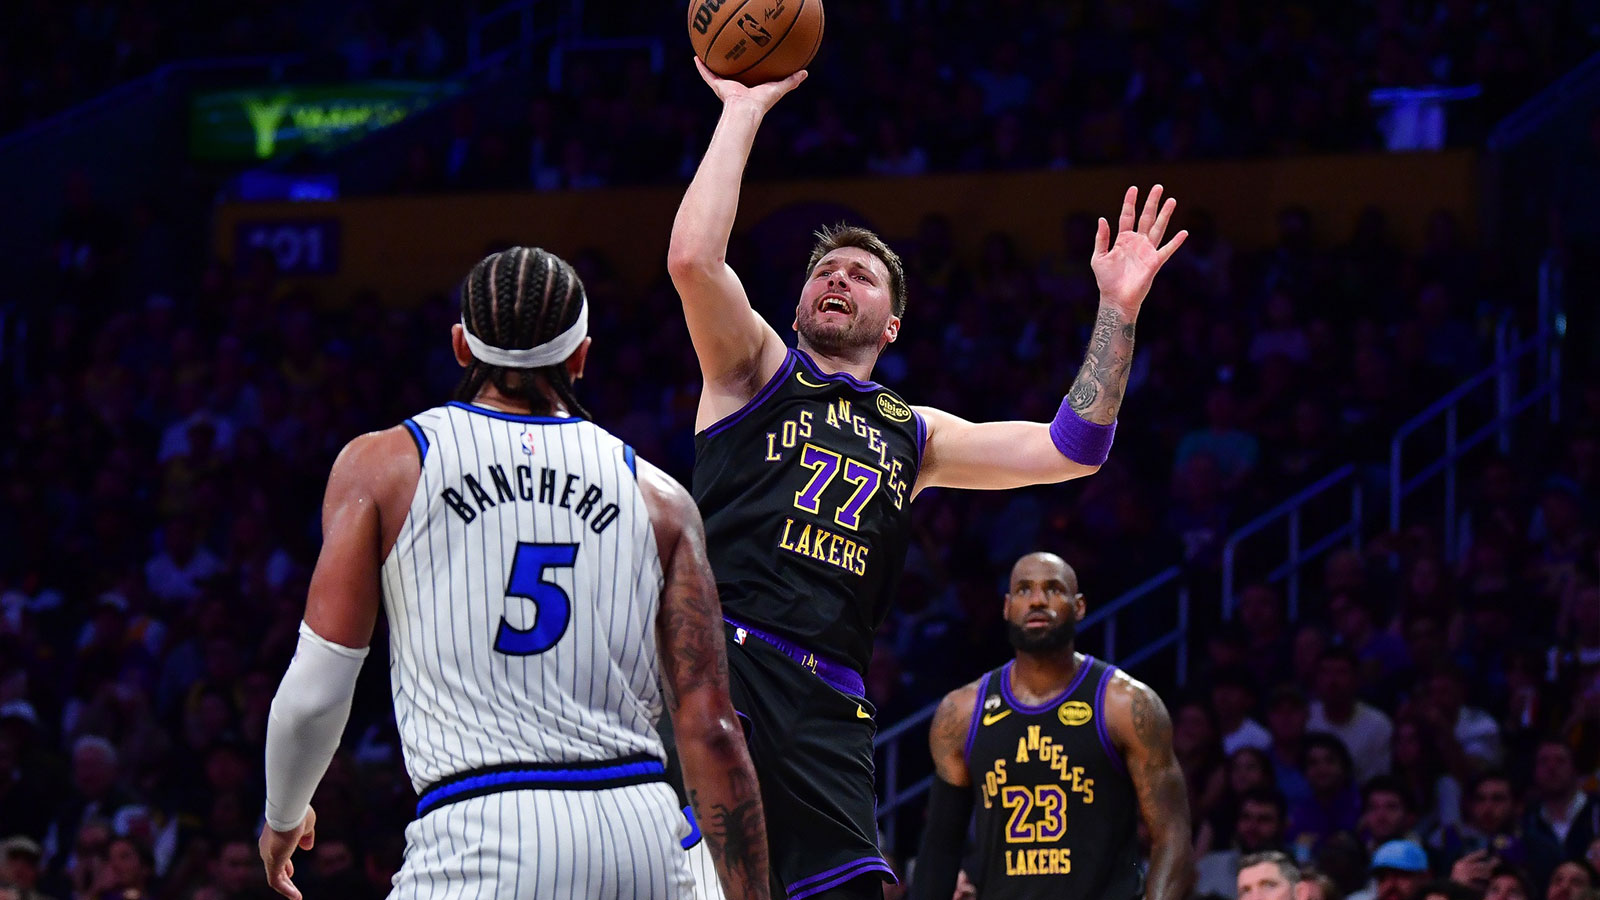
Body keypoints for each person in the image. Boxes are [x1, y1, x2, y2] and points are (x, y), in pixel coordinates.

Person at [667, 59, 1187, 900]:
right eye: (824, 272)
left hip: (829, 698)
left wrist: (1117, 311)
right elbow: (694, 259)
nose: (837, 278)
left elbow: (1074, 446)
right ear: (797, 306)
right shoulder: (751, 369)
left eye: (860, 274)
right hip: (721, 663)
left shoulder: (918, 434)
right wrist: (742, 110)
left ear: (892, 323)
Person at [257, 248, 770, 900]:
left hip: (480, 833)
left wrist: (283, 815)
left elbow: (317, 687)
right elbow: (714, 732)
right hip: (640, 837)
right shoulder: (662, 500)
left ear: (460, 348)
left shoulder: (383, 466)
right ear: (581, 356)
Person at [909, 553, 1193, 900]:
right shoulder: (962, 712)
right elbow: (940, 847)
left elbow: (1173, 836)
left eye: (1053, 590)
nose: (1038, 600)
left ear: (1080, 606)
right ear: (1007, 606)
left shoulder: (1125, 704)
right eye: (1024, 590)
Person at [1196, 788, 1293, 898]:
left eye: (1264, 819)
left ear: (1283, 826)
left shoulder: (1296, 876)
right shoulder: (1210, 865)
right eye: (1246, 817)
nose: (1252, 827)